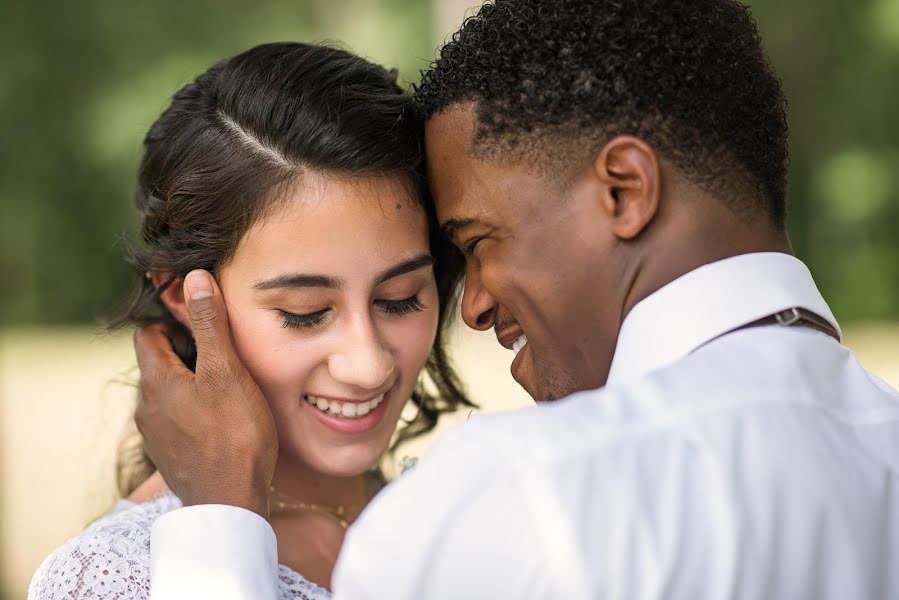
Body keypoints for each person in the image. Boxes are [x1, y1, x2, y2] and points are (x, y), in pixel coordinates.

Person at [136, 0, 899, 598]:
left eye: (474, 242)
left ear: (623, 190)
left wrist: (216, 539)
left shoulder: (524, 499)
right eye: (306, 310)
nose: (469, 306)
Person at [27, 41, 475, 600]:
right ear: (180, 294)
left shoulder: (472, 522)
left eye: (400, 298)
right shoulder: (114, 577)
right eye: (304, 313)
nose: (368, 364)